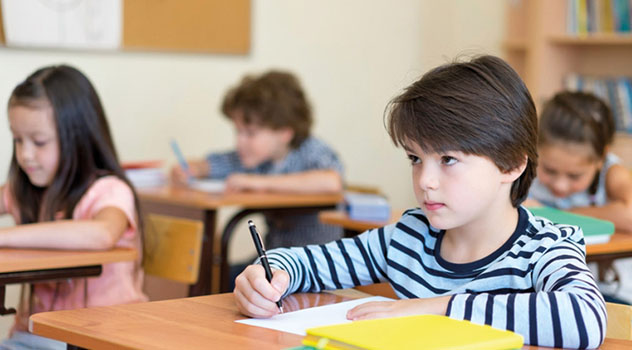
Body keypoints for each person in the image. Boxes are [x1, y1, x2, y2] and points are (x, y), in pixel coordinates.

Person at [233, 56, 606, 349]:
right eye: (415, 159)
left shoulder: (545, 247)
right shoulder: (410, 237)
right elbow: (311, 263)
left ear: (511, 163)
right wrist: (267, 277)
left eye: (448, 160)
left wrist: (429, 308)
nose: (425, 181)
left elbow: (583, 318)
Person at [0, 65, 147, 349]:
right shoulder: (25, 190)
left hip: (103, 337)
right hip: (37, 335)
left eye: (39, 141)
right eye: (18, 140)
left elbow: (102, 234)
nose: (25, 155)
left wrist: (4, 236)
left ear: (78, 136)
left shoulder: (109, 192)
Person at [171, 70, 344, 249]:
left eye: (250, 133)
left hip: (314, 263)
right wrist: (195, 169)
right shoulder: (257, 159)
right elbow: (218, 164)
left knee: (226, 274)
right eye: (238, 131)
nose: (239, 142)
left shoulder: (311, 150)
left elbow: (331, 182)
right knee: (222, 273)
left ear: (285, 132)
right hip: (274, 258)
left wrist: (260, 183)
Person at [526, 91, 632, 231]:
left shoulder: (612, 173)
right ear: (535, 147)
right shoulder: (523, 166)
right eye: (549, 170)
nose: (560, 185)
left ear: (601, 158)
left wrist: (555, 215)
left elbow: (629, 216)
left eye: (574, 176)